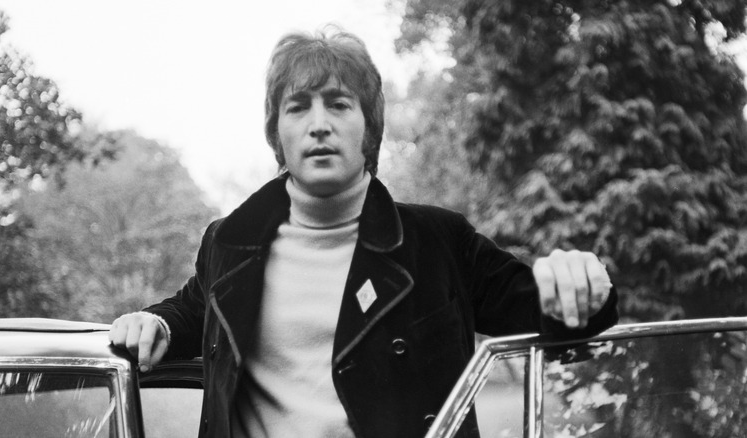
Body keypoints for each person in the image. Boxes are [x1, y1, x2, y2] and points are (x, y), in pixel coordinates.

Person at [110, 28, 618, 438]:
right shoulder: (228, 243)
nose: (319, 124)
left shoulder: (437, 242)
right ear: (277, 132)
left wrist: (579, 282)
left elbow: (562, 318)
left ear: (369, 128)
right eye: (298, 106)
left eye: (338, 104)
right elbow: (189, 312)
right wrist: (155, 323)